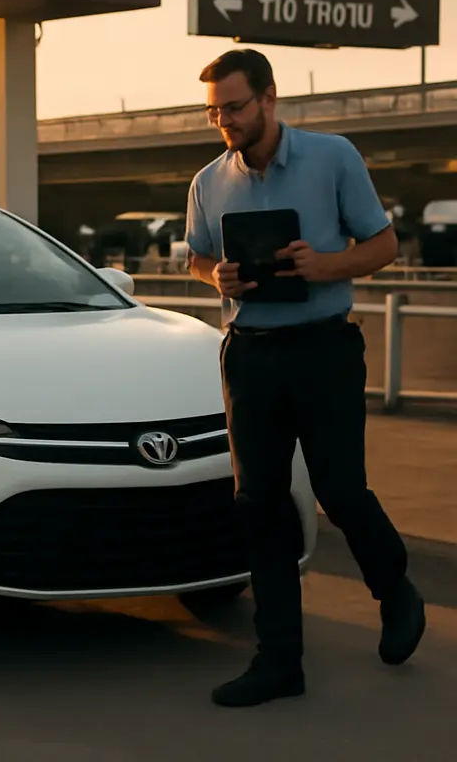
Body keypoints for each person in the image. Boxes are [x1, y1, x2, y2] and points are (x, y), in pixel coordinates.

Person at [185, 48, 425, 708]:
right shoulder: (208, 181)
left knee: (340, 491)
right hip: (250, 353)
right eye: (213, 111)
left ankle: (395, 586)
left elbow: (383, 244)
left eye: (233, 106)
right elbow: (197, 258)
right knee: (258, 504)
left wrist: (327, 265)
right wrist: (218, 276)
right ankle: (279, 661)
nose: (224, 121)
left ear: (269, 98)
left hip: (325, 349)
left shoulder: (333, 157)